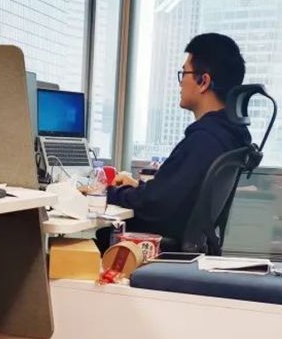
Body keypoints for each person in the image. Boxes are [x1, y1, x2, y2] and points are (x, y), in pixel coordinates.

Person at [102, 33, 251, 250]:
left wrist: (107, 193)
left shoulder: (204, 140)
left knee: (84, 239)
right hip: (189, 248)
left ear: (203, 81)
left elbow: (155, 206)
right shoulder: (228, 136)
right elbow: (176, 196)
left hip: (160, 249)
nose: (181, 83)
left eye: (185, 73)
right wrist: (138, 188)